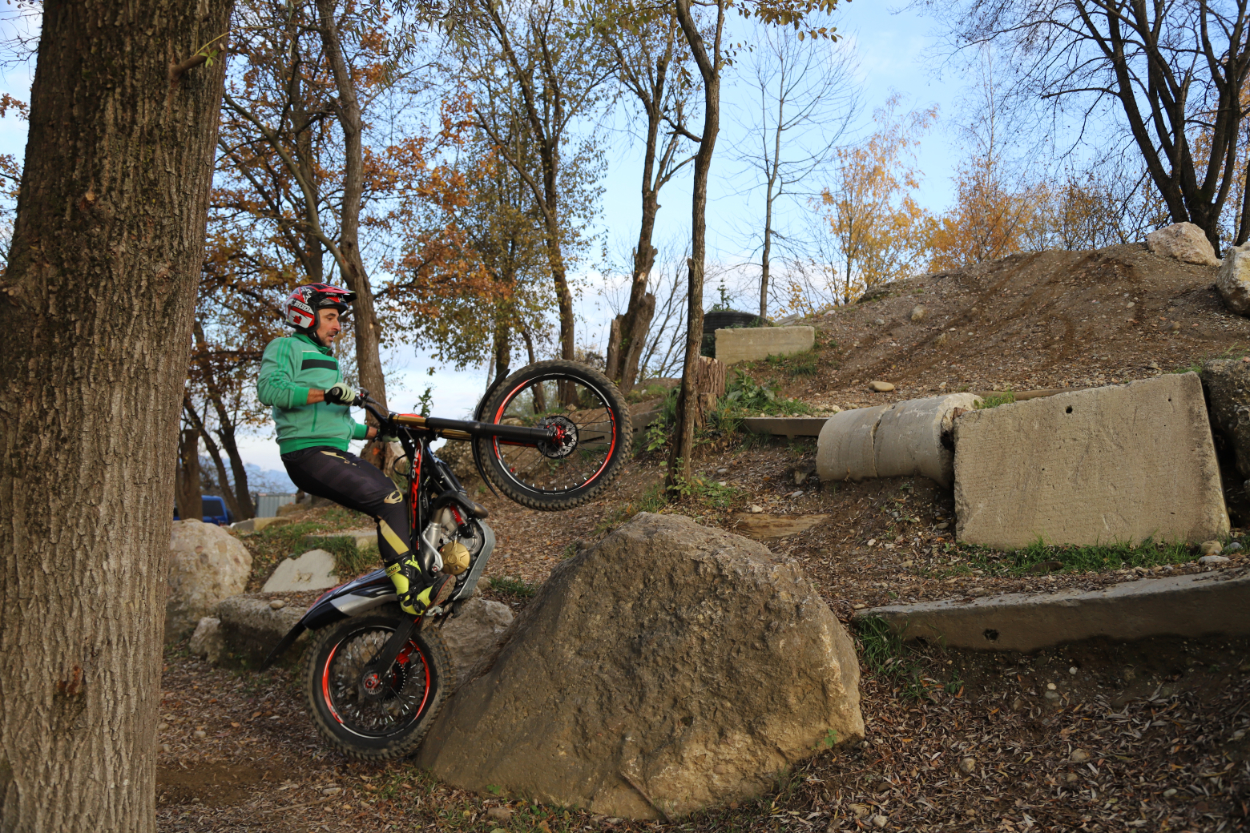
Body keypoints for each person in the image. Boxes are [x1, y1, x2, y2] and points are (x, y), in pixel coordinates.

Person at [257, 283, 453, 616]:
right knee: (388, 499)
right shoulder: (285, 347)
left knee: (405, 501)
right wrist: (327, 393)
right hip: (307, 453)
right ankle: (409, 591)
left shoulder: (327, 361)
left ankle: (416, 569)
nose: (337, 326)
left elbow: (341, 425)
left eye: (339, 319)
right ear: (306, 316)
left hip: (331, 451)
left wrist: (380, 432)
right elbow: (270, 389)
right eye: (330, 317)